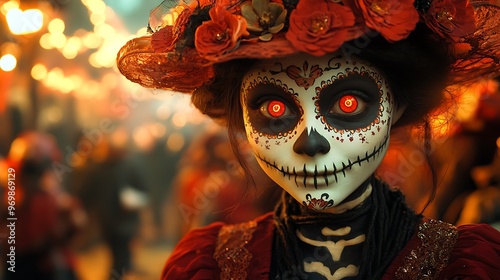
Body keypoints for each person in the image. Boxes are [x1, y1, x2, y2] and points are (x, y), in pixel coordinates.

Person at [116, 0, 500, 279]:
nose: (310, 142)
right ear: (243, 120)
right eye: (275, 110)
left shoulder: (464, 264)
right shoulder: (210, 266)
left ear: (396, 107)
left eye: (348, 104)